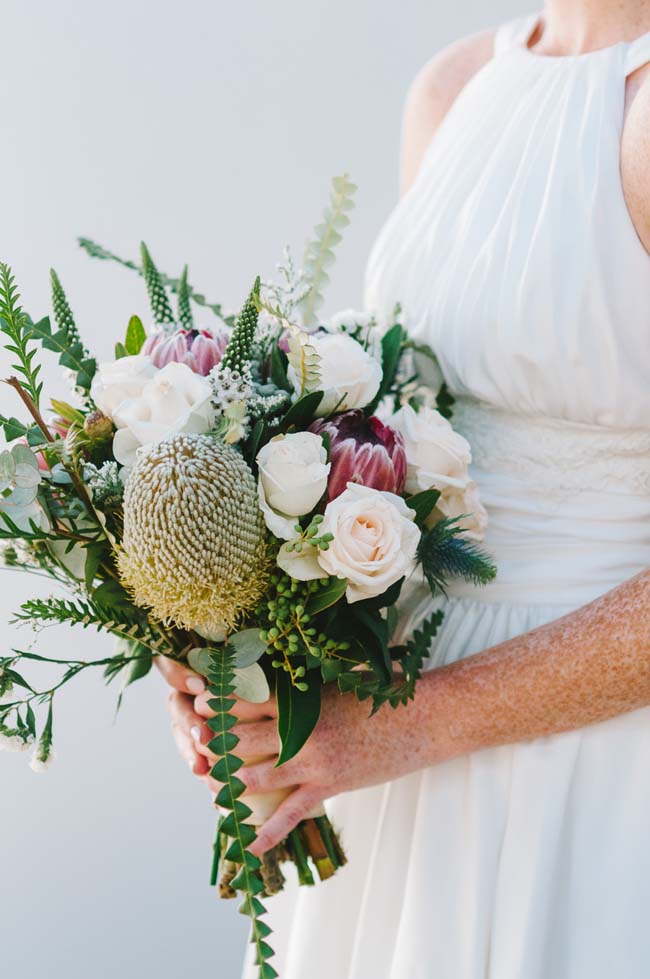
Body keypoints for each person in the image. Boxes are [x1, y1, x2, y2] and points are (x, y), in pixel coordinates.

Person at [160, 4, 650, 976]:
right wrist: (235, 659)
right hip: (388, 763)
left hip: (591, 760)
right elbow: (405, 433)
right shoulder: (453, 87)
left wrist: (399, 728)